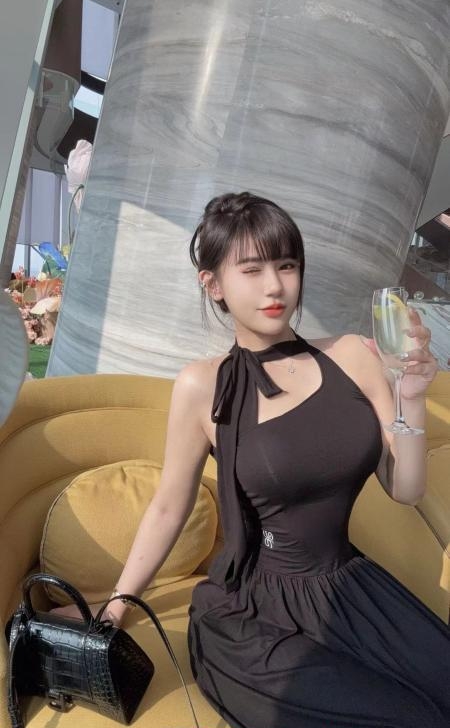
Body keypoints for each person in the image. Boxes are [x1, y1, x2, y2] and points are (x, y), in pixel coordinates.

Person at [53, 192, 449, 727]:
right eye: (252, 269)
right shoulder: (203, 385)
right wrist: (118, 603)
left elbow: (405, 489)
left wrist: (412, 397)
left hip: (349, 585)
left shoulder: (354, 355)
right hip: (251, 612)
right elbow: (170, 506)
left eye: (286, 265)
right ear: (213, 284)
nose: (274, 286)